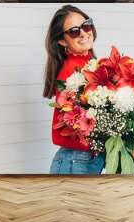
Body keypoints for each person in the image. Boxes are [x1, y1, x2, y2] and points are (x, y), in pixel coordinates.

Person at [43, 5, 104, 174]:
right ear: (62, 40)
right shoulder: (71, 72)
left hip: (82, 160)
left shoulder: (89, 63)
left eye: (86, 25)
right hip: (75, 162)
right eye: (74, 31)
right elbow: (69, 126)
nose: (84, 33)